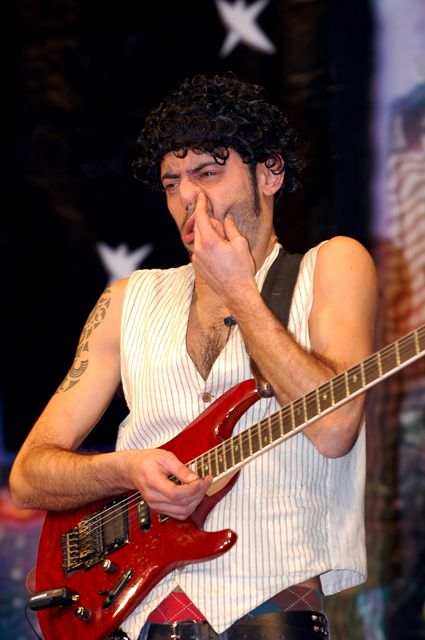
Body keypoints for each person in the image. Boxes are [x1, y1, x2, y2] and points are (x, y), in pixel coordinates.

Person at [9, 71, 378, 640]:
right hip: (135, 617)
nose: (188, 197)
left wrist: (241, 293)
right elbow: (30, 475)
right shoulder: (128, 300)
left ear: (270, 172)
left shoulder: (332, 265)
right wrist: (126, 468)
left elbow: (334, 429)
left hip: (269, 611)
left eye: (208, 172)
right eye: (172, 181)